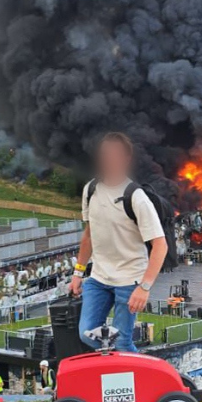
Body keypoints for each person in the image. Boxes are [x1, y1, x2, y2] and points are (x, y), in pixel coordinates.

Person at [70, 132, 168, 354]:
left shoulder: (136, 197)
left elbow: (160, 245)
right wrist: (78, 272)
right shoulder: (91, 190)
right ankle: (117, 365)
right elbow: (89, 235)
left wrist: (144, 287)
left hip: (129, 279)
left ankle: (134, 380)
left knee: (122, 342)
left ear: (125, 159)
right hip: (99, 278)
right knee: (86, 333)